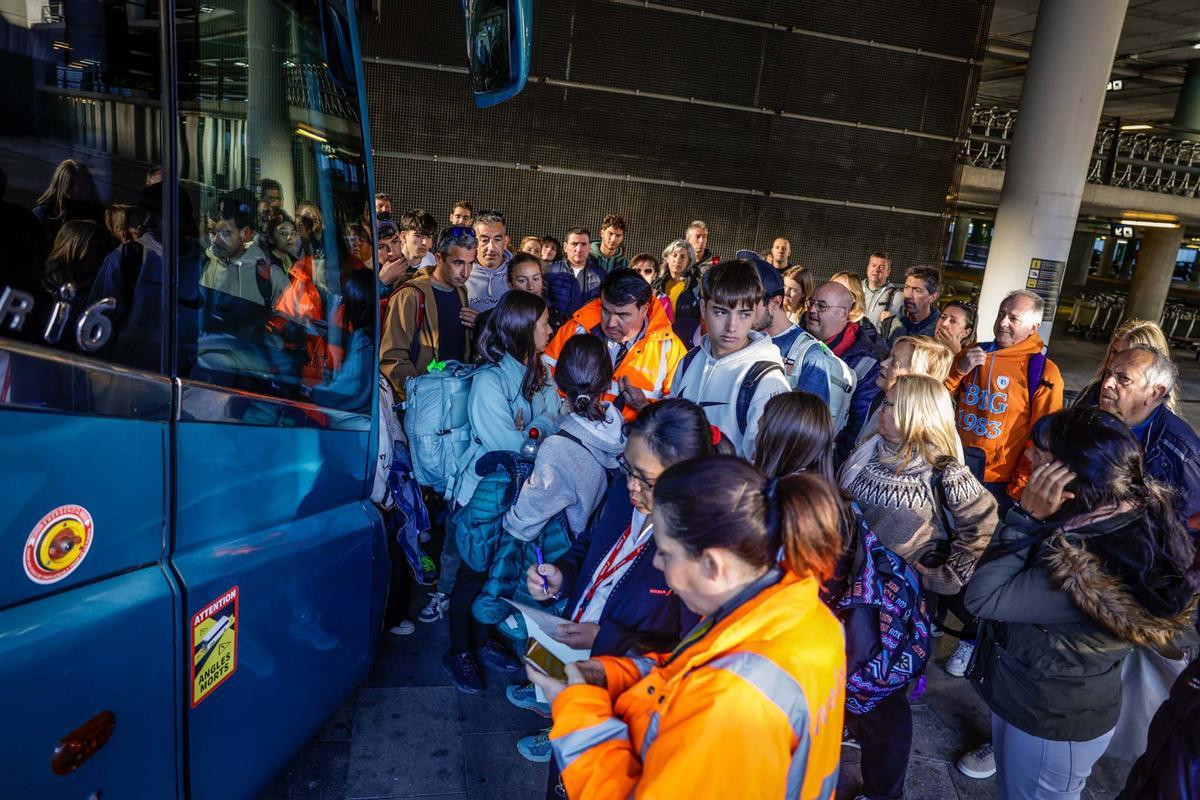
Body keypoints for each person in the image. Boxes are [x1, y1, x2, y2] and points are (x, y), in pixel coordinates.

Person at [533, 457, 846, 800]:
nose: (656, 561)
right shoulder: (803, 615)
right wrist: (613, 674)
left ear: (712, 565)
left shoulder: (731, 702)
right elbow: (688, 669)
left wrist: (576, 710)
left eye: (666, 553)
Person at [964, 407, 1199, 800]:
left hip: (1049, 719)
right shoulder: (1112, 513)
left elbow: (984, 596)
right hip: (1034, 695)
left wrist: (1025, 514)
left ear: (1070, 473)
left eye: (1040, 452)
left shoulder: (1089, 565)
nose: (1030, 456)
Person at [514, 399, 712, 772]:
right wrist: (562, 576)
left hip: (630, 701)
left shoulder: (699, 551)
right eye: (628, 468)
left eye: (647, 480)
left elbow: (686, 659)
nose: (633, 487)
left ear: (688, 479)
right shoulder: (624, 490)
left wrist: (603, 639)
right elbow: (591, 543)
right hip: (578, 663)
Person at [841, 371, 999, 671]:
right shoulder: (867, 451)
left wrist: (947, 576)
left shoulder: (943, 470)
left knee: (883, 673)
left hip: (899, 600)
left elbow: (984, 524)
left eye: (889, 404)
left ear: (913, 413)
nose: (881, 409)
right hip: (853, 585)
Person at [443, 291, 560, 693]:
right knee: (471, 577)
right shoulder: (489, 380)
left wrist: (533, 429)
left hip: (516, 497)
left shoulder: (540, 371)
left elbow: (553, 419)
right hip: (481, 498)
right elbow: (507, 448)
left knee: (496, 574)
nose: (550, 328)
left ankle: (483, 640)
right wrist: (536, 433)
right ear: (522, 330)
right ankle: (459, 651)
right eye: (543, 323)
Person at [946, 290, 1064, 506]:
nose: (1003, 322)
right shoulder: (972, 352)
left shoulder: (1044, 372)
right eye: (1001, 314)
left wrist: (1018, 487)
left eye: (1014, 318)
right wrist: (958, 371)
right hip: (953, 466)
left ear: (1034, 328)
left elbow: (1043, 438)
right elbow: (936, 400)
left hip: (998, 484)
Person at [670, 260, 790, 459]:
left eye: (744, 314)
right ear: (702, 308)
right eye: (720, 312)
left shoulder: (767, 380)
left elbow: (766, 466)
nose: (731, 326)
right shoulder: (690, 360)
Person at [543, 269, 686, 421]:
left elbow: (679, 414)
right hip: (571, 431)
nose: (611, 323)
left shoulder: (669, 348)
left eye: (622, 315)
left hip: (631, 440)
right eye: (605, 310)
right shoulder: (576, 329)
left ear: (644, 310)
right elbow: (543, 378)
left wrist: (645, 408)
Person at [744, 251, 854, 427]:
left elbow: (805, 436)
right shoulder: (746, 339)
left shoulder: (812, 358)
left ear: (774, 303)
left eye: (750, 306)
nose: (742, 314)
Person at [1096, 345, 1200, 532]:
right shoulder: (1094, 421)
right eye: (1108, 373)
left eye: (1124, 378)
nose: (1107, 383)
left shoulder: (1182, 453)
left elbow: (1191, 525)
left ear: (1155, 393)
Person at [379, 227, 477, 400]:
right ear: (439, 258)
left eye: (471, 264)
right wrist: (421, 394)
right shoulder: (410, 295)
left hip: (456, 396)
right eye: (458, 263)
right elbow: (392, 357)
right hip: (423, 403)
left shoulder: (461, 291)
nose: (465, 273)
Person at [805, 281, 889, 462]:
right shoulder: (798, 339)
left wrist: (830, 466)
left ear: (843, 313)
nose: (812, 310)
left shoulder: (866, 361)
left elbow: (857, 426)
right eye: (811, 303)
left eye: (821, 306)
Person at [856, 335, 955, 446]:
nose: (883, 363)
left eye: (894, 363)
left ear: (918, 377)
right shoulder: (880, 398)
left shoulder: (929, 431)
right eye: (888, 357)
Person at [34, 220, 116, 351]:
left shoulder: (100, 288)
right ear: (75, 247)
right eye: (98, 248)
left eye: (107, 249)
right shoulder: (41, 287)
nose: (104, 255)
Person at [1073, 318, 1181, 414]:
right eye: (1114, 352)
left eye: (1125, 354)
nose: (1115, 360)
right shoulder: (1091, 394)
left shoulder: (1164, 428)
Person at [32, 158, 103, 248]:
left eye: (87, 180)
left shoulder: (95, 210)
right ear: (67, 187)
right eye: (82, 183)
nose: (88, 186)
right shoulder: (46, 214)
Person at [545, 227, 605, 323]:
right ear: (565, 247)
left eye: (583, 244)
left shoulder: (600, 275)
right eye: (574, 244)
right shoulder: (550, 270)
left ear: (589, 247)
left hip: (585, 331)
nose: (579, 249)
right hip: (555, 331)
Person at [881, 266, 941, 345]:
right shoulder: (891, 323)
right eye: (906, 287)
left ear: (932, 297)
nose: (908, 295)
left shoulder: (939, 329)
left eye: (917, 290)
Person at [657, 239, 701, 343]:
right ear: (667, 258)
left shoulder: (695, 287)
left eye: (683, 257)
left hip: (683, 341)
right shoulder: (657, 284)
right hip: (658, 338)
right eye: (674, 255)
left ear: (689, 261)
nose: (678, 260)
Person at [467, 209, 511, 313]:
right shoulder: (461, 270)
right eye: (484, 240)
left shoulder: (517, 271)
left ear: (505, 241)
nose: (491, 248)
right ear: (474, 241)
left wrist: (481, 321)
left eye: (497, 239)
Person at [862, 251, 903, 329]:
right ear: (867, 268)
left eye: (882, 267)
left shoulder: (897, 296)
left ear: (888, 272)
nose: (876, 270)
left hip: (877, 340)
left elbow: (901, 326)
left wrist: (892, 320)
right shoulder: (856, 288)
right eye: (873, 265)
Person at [396, 208, 438, 273]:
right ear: (403, 237)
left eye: (429, 237)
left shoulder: (431, 261)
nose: (424, 242)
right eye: (418, 236)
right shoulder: (390, 262)